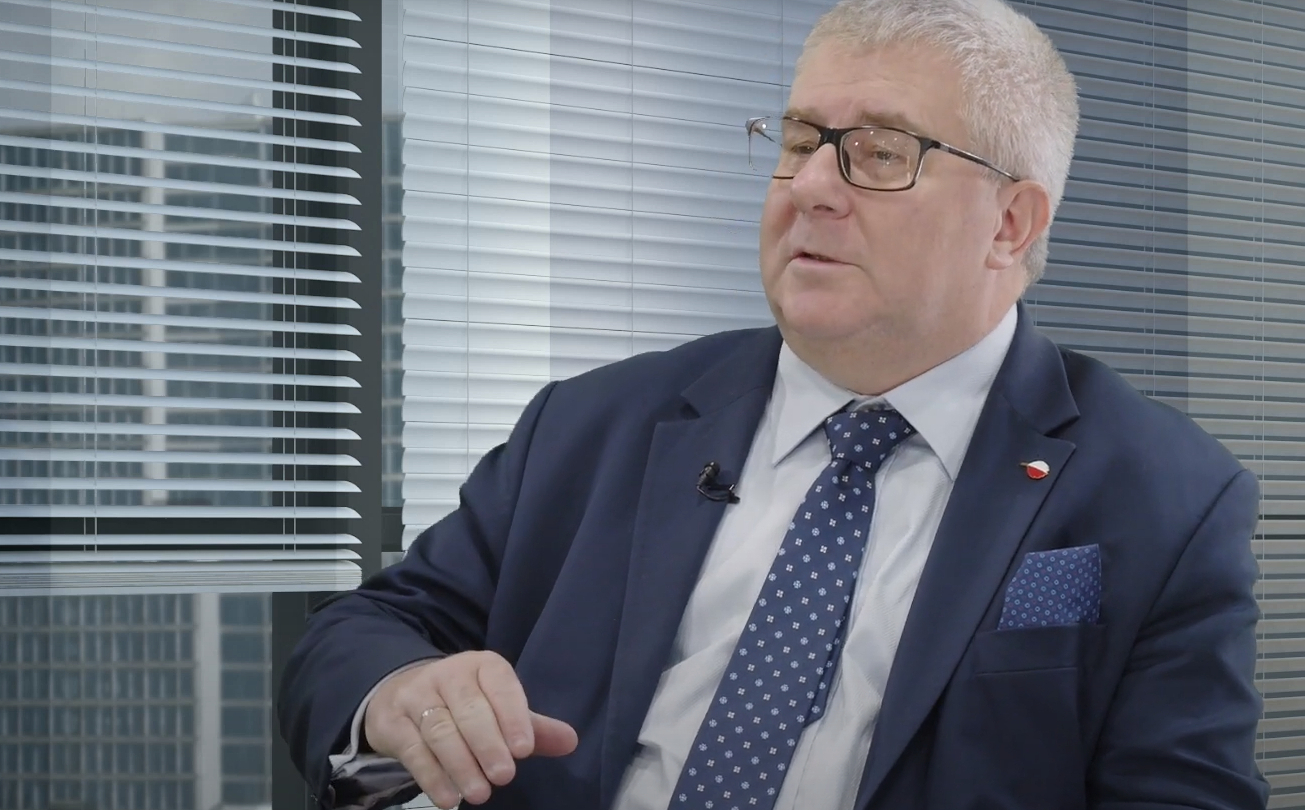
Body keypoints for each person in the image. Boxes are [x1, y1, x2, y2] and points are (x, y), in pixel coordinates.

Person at [277, 0, 1268, 808]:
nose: (809, 188)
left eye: (878, 153)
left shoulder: (1164, 496)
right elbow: (364, 630)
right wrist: (400, 691)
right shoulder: (593, 425)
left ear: (1009, 223)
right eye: (798, 141)